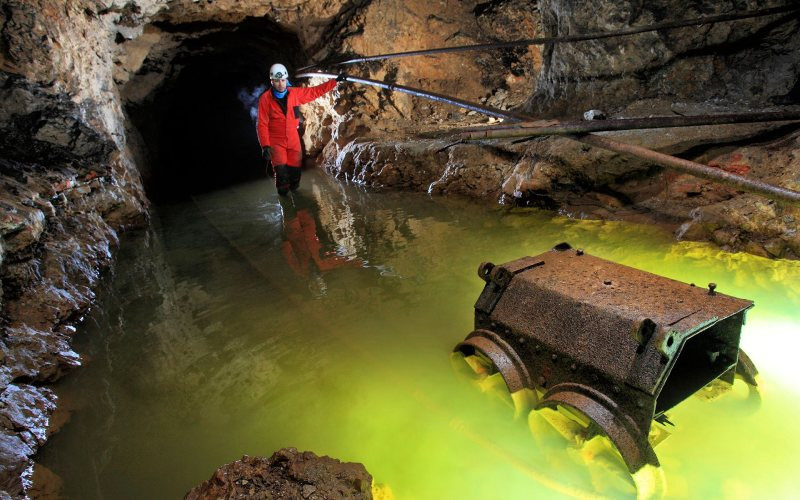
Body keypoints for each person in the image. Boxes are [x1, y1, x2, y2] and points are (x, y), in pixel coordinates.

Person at [256, 63, 345, 195]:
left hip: (293, 139)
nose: (280, 84)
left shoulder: (295, 93)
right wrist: (265, 145)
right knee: (281, 174)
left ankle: (297, 200)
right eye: (277, 81)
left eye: (282, 80)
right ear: (271, 81)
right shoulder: (265, 99)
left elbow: (315, 91)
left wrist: (334, 82)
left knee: (295, 174)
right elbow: (262, 124)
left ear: (286, 79)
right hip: (276, 140)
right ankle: (285, 202)